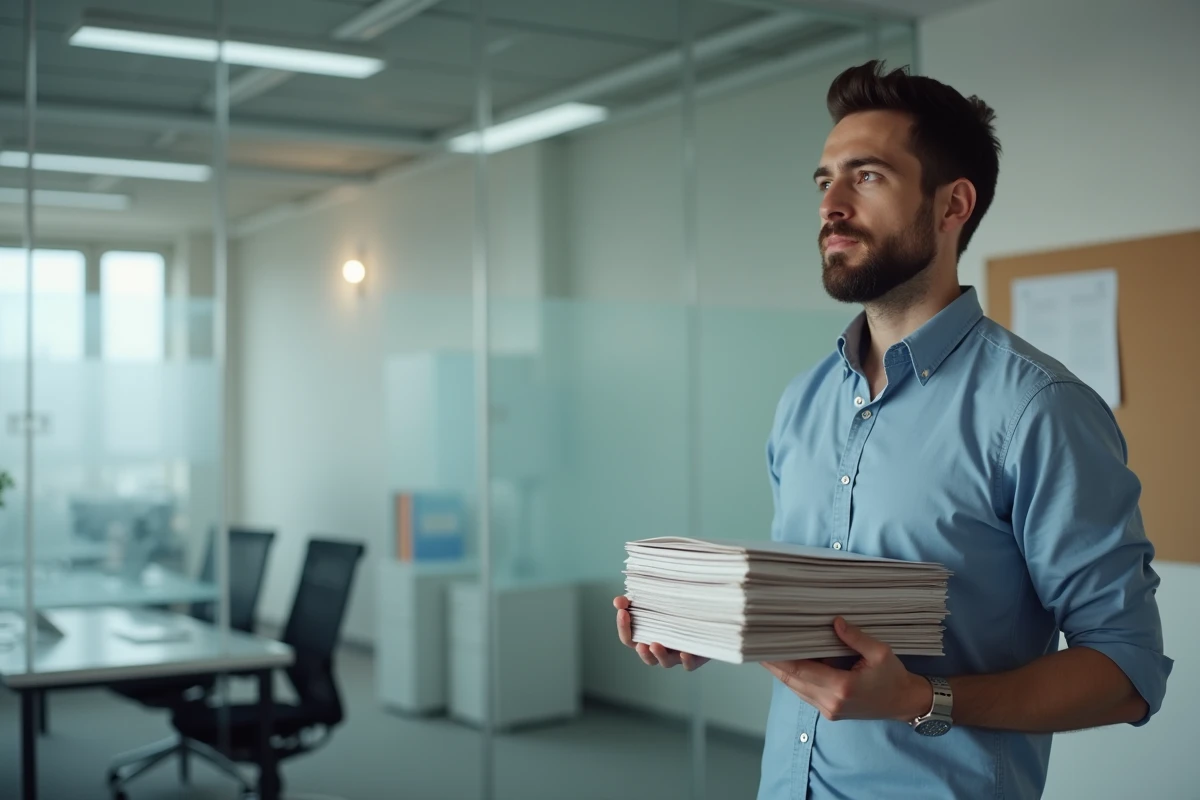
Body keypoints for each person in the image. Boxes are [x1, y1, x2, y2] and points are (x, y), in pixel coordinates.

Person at [613, 60, 1172, 799]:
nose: (831, 205)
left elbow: (1128, 672)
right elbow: (819, 618)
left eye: (866, 177)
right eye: (824, 181)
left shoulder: (1038, 409)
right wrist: (715, 627)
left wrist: (919, 699)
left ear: (953, 206)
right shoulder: (803, 401)